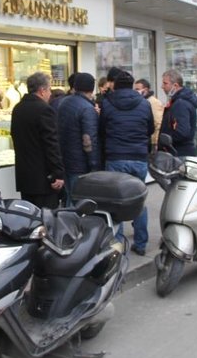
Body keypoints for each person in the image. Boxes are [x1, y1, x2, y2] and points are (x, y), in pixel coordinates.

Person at [100, 71, 153, 256]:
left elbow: (102, 129)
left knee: (114, 202)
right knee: (139, 200)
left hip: (115, 157)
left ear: (115, 85)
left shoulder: (107, 103)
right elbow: (150, 128)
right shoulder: (144, 103)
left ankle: (119, 244)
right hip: (138, 157)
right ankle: (141, 242)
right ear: (131, 85)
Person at [10, 72, 65, 208]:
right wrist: (57, 172)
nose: (50, 94)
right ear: (42, 90)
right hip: (43, 177)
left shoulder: (18, 108)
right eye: (49, 90)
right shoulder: (44, 110)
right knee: (45, 219)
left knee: (29, 217)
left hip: (25, 175)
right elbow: (51, 144)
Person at [57, 72, 99, 205]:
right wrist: (94, 164)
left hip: (65, 159)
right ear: (92, 88)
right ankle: (74, 226)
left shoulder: (64, 103)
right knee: (81, 202)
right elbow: (89, 139)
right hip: (80, 164)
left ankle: (67, 224)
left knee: (70, 197)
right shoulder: (87, 108)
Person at [159, 69, 197, 156]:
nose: (162, 87)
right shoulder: (178, 102)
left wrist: (165, 140)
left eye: (165, 83)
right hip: (178, 152)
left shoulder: (180, 104)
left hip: (179, 153)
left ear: (175, 85)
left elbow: (182, 132)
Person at [134, 78, 164, 147]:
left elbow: (158, 123)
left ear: (146, 90)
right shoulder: (141, 102)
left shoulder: (154, 102)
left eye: (137, 89)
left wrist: (155, 141)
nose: (135, 91)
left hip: (153, 142)